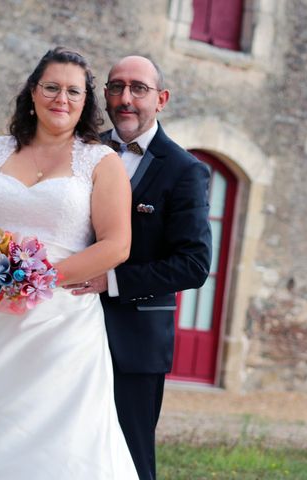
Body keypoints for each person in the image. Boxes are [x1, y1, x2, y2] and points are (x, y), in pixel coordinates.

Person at [0, 47, 139, 479]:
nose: (62, 99)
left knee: (55, 435)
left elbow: (117, 244)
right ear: (33, 92)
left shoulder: (102, 162)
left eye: (73, 91)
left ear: (85, 102)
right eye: (52, 87)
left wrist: (40, 278)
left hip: (62, 324)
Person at [70, 55, 212, 480]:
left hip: (135, 340)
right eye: (116, 87)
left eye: (138, 89)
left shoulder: (185, 171)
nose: (125, 98)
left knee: (129, 460)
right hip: (65, 327)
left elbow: (194, 264)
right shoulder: (81, 152)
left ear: (161, 99)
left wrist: (110, 280)